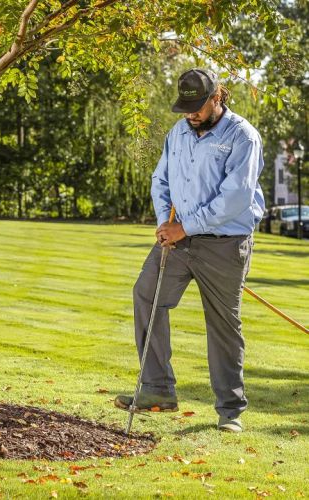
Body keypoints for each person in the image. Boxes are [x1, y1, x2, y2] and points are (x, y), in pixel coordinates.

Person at [115, 68, 265, 433]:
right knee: (146, 295)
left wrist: (186, 225)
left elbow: (236, 198)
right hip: (178, 242)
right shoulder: (178, 133)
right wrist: (167, 223)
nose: (190, 114)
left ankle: (230, 411)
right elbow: (160, 179)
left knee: (223, 324)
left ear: (217, 98)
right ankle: (157, 390)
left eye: (197, 107)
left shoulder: (242, 136)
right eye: (186, 107)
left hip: (226, 245)